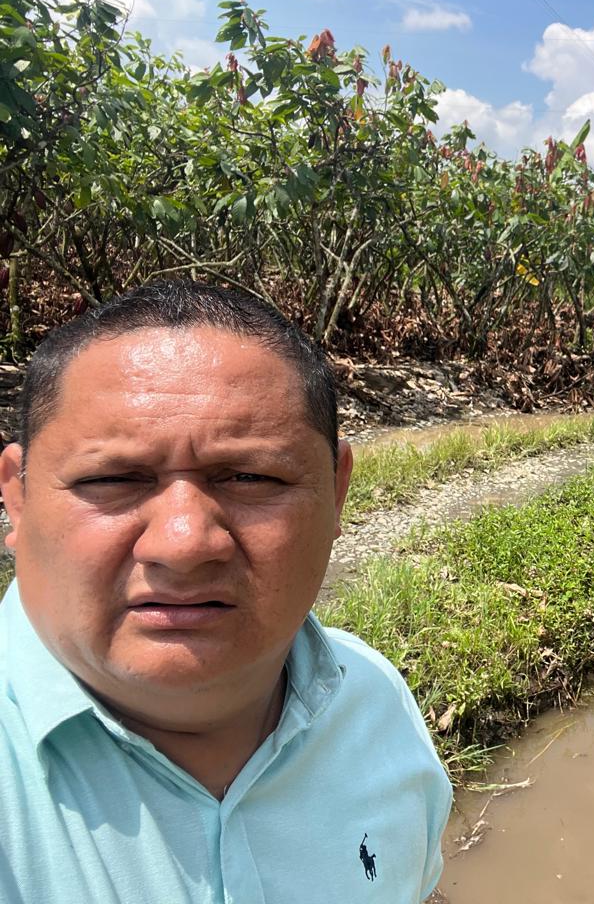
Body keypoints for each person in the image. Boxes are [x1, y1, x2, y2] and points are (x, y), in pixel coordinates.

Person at [0, 282, 452, 903]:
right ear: (17, 498)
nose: (184, 543)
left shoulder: (374, 701)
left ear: (337, 492)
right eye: (112, 478)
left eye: (249, 476)